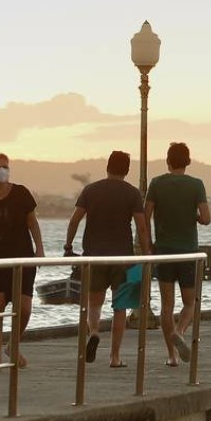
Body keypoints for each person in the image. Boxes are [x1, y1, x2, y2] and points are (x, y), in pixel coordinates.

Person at [65, 150, 148, 367]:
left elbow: (74, 220)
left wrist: (68, 245)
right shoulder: (132, 193)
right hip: (122, 257)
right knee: (120, 306)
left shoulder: (90, 190)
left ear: (107, 166)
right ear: (127, 169)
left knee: (94, 302)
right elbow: (141, 226)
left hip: (94, 256)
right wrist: (147, 252)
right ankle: (115, 356)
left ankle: (93, 331)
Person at [0, 153, 44, 369]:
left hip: (22, 258)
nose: (1, 170)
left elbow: (33, 223)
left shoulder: (21, 193)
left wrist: (39, 249)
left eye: (5, 166)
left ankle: (13, 344)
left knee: (24, 308)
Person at [143, 142, 211, 366]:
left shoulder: (156, 183)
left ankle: (171, 356)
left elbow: (145, 215)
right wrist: (196, 218)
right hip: (188, 252)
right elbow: (207, 218)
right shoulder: (196, 185)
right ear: (188, 161)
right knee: (190, 303)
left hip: (164, 251)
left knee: (167, 305)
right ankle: (180, 331)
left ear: (168, 160)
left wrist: (149, 244)